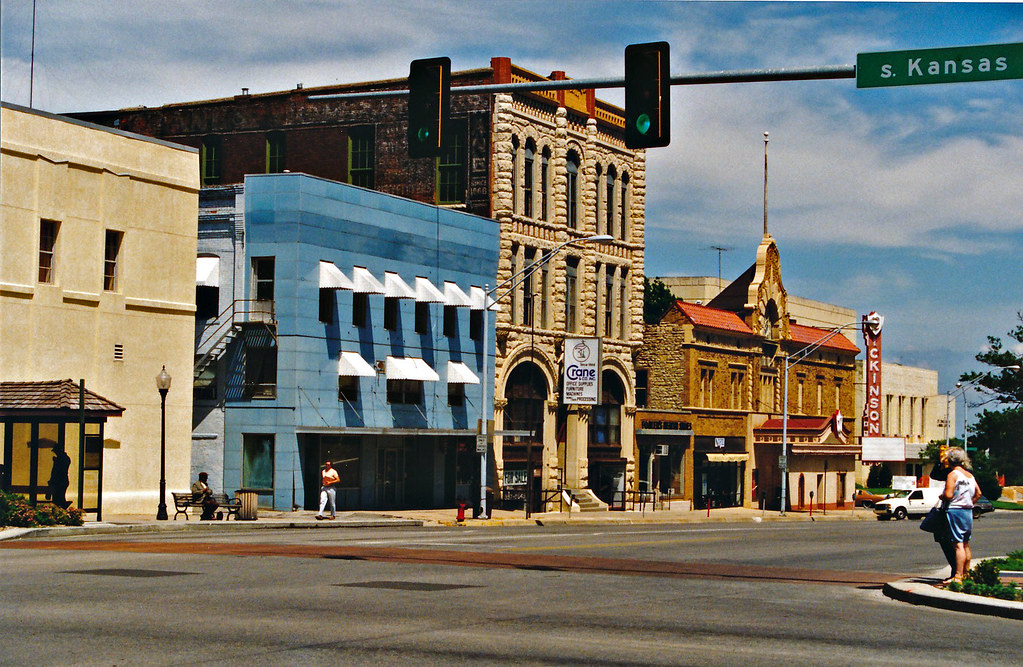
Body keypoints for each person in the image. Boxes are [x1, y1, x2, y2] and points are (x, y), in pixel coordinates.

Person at [941, 447, 982, 585]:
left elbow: (948, 495)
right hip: (967, 511)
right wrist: (970, 502)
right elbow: (978, 493)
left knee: (957, 544)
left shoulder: (953, 475)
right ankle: (966, 573)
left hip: (955, 510)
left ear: (950, 461)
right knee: (965, 544)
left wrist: (942, 496)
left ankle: (958, 576)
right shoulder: (970, 476)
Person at [47, 445, 72, 509]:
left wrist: (56, 461)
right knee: (60, 498)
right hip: (63, 481)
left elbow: (56, 472)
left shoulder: (60, 459)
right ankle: (62, 507)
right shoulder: (65, 458)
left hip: (59, 482)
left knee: (57, 499)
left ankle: (61, 508)